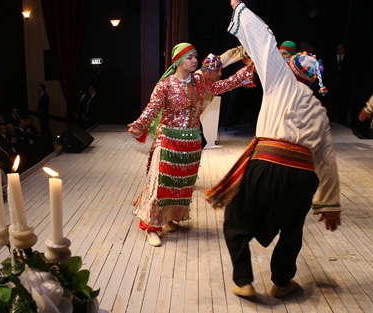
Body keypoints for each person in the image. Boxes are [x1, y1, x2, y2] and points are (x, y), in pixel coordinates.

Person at [205, 0, 342, 298]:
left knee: (237, 221)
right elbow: (326, 157)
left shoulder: (281, 81)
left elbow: (264, 41)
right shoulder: (319, 111)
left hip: (267, 165)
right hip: (304, 178)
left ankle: (243, 280)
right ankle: (281, 282)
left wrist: (240, 8)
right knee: (291, 232)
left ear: (290, 70)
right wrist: (330, 204)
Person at [127, 42, 255, 247]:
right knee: (160, 185)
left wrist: (246, 71)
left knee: (182, 186)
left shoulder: (199, 81)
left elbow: (221, 86)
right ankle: (152, 226)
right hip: (168, 140)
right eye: (190, 57)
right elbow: (153, 108)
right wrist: (140, 125)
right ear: (178, 61)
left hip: (191, 143)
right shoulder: (166, 85)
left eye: (196, 56)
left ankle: (168, 218)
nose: (195, 60)